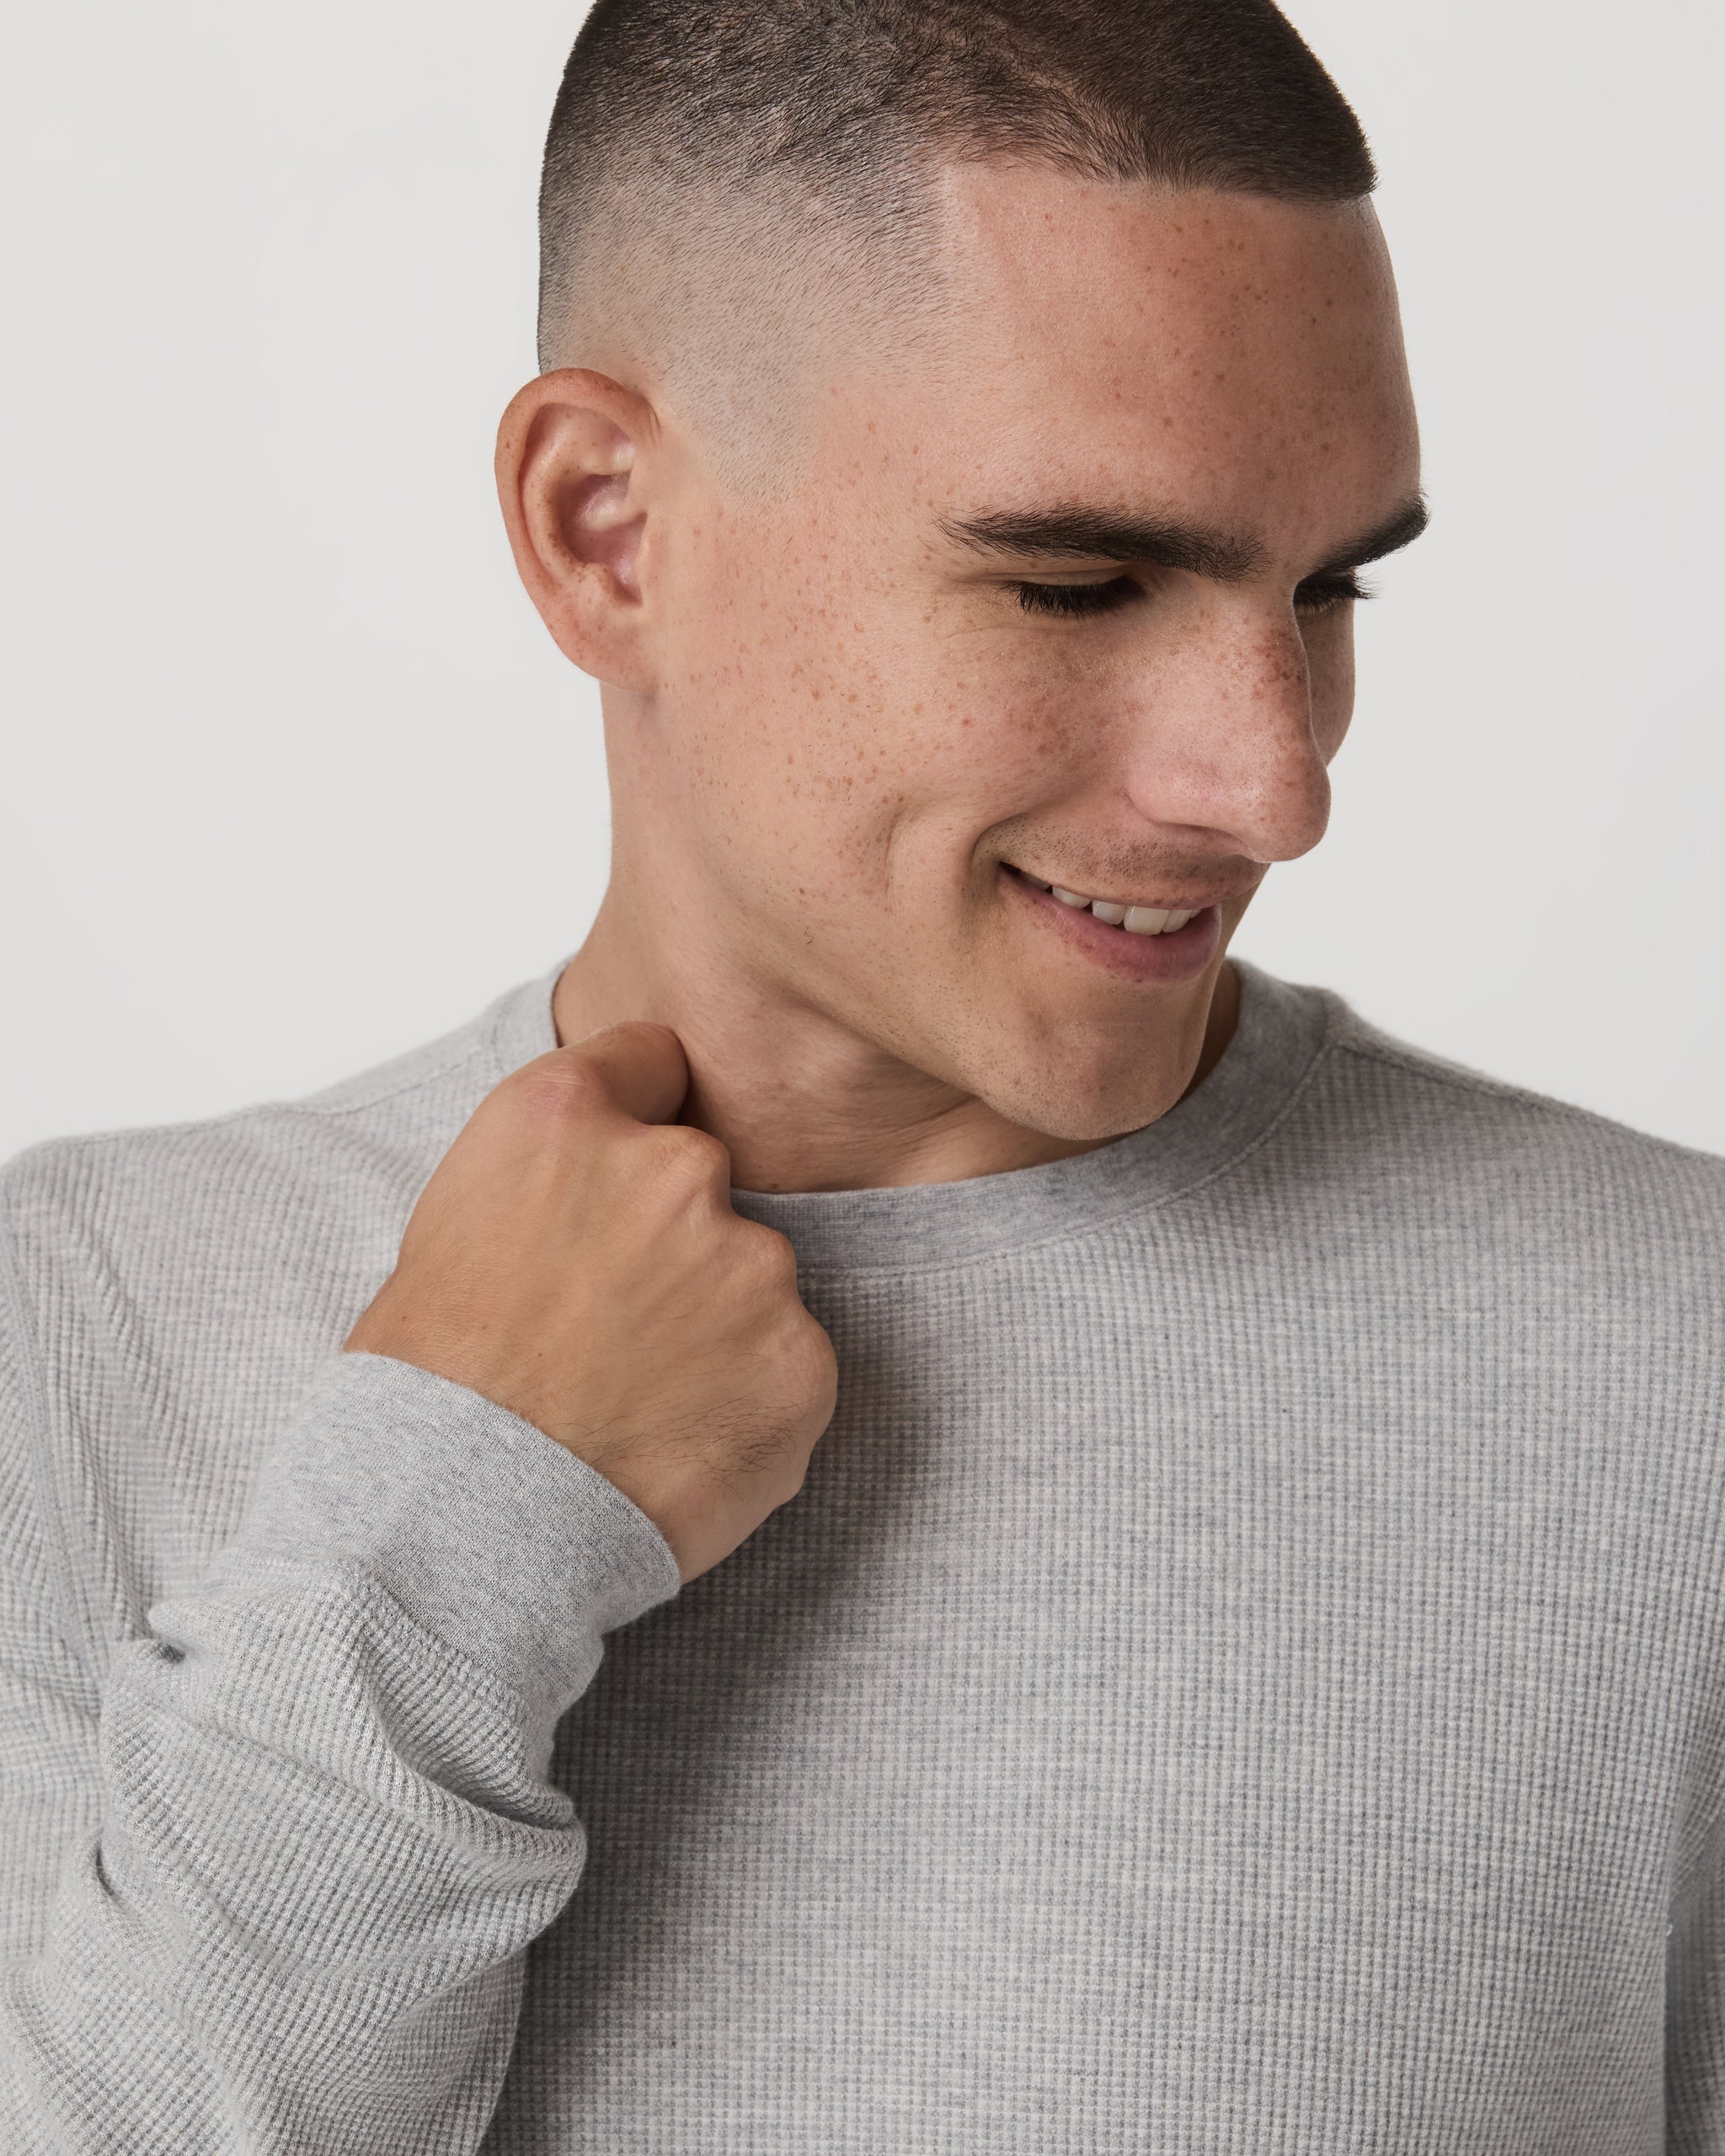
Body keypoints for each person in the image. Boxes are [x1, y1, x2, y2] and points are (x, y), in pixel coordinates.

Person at [3, 0, 1719, 2147]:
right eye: (1078, 583)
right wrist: (448, 1527)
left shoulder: (1678, 1374)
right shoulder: (73, 1332)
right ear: (606, 527)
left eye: (1329, 588)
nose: (1274, 787)